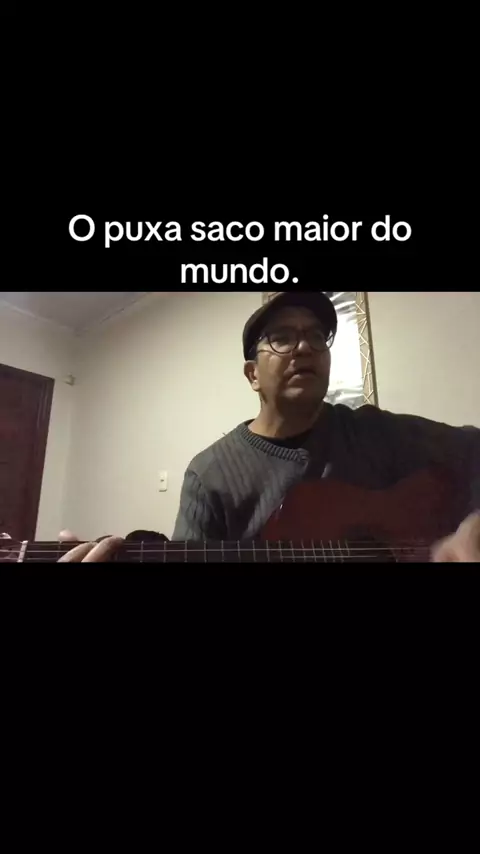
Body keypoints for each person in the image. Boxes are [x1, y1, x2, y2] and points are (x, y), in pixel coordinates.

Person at [57, 291, 480, 563]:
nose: (304, 346)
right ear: (252, 374)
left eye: (316, 336)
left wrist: (468, 531)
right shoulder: (211, 475)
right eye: (282, 337)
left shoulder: (375, 431)